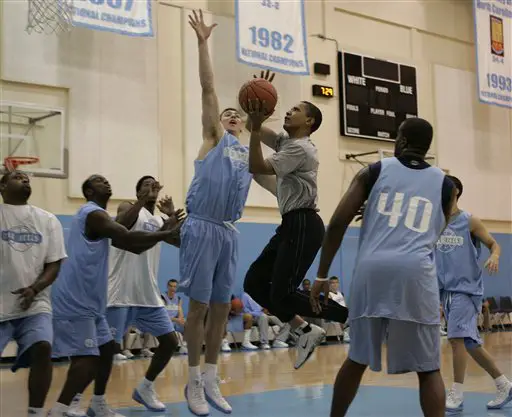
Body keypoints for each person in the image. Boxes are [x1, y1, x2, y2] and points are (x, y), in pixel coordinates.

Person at [312, 117, 456, 417]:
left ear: (400, 141)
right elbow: (435, 230)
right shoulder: (446, 184)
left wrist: (322, 274)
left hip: (373, 270)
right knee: (429, 369)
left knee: (357, 359)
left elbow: (338, 222)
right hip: (416, 272)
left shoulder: (374, 171)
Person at [181, 10, 277, 416]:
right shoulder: (213, 139)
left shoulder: (247, 153)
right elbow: (207, 89)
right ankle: (191, 383)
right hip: (200, 226)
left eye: (237, 114)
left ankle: (210, 377)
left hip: (228, 231)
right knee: (199, 306)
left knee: (222, 306)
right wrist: (204, 43)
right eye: (228, 114)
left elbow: (275, 185)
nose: (232, 116)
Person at [47, 174, 182, 417]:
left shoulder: (157, 218)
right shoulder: (124, 208)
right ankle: (73, 401)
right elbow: (125, 231)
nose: (151, 186)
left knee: (168, 343)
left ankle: (142, 389)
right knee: (97, 353)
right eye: (145, 184)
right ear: (137, 190)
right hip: (117, 292)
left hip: (147, 293)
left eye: (154, 184)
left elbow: (175, 241)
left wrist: (170, 221)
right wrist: (142, 202)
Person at [243, 94, 348, 370]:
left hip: (304, 222)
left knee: (283, 293)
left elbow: (257, 165)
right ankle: (305, 330)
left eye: (295, 110)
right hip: (291, 223)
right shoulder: (288, 142)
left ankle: (351, 316)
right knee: (253, 282)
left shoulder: (301, 148)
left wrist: (254, 128)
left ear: (309, 121)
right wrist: (256, 112)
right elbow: (251, 126)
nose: (288, 112)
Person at [436, 175, 512, 412]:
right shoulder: (434, 222)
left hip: (466, 289)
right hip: (445, 292)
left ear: (456, 191)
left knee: (457, 340)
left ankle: (457, 394)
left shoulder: (469, 221)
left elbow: (493, 244)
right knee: (470, 343)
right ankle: (504, 385)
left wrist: (495, 255)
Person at [0, 171, 67, 417]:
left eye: (27, 177)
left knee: (42, 347)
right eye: (17, 176)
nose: (25, 179)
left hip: (35, 302)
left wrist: (35, 288)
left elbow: (54, 264)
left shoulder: (48, 220)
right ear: (3, 185)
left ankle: (36, 412)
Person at [162, 278, 188, 354]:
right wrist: (176, 320)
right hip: (165, 321)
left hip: (174, 322)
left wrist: (181, 319)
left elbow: (180, 311)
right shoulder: (162, 297)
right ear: (167, 286)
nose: (172, 288)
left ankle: (184, 346)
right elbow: (163, 316)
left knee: (186, 323)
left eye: (174, 286)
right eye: (171, 286)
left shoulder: (178, 299)